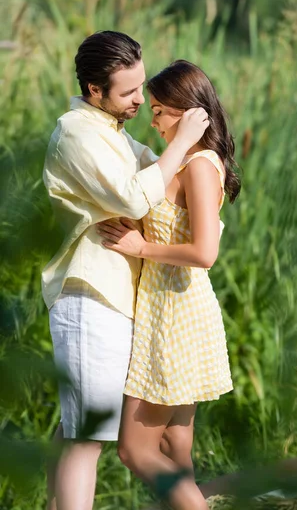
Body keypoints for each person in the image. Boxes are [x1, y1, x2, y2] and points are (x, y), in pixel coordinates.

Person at [42, 32, 209, 510]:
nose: (141, 100)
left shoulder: (114, 133)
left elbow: (165, 179)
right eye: (129, 92)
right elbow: (135, 196)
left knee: (75, 430)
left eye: (142, 88)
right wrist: (186, 144)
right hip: (89, 297)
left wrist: (202, 156)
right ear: (94, 90)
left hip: (118, 300)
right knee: (86, 438)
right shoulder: (77, 133)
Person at [97, 59, 241, 510]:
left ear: (189, 112)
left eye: (160, 111)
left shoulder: (199, 164)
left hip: (176, 315)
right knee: (175, 450)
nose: (153, 119)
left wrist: (141, 248)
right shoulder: (177, 161)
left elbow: (205, 252)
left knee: (134, 449)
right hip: (169, 307)